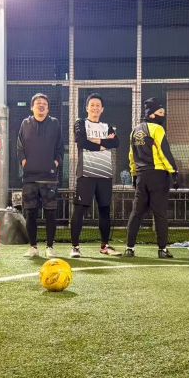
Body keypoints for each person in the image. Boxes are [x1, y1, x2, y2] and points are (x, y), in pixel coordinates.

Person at [124, 97, 179, 259]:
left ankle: (129, 248)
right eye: (161, 112)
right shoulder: (157, 129)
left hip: (141, 177)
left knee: (136, 213)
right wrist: (174, 172)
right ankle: (162, 250)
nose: (163, 115)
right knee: (160, 214)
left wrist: (134, 175)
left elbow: (131, 156)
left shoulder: (134, 131)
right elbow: (164, 153)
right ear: (152, 114)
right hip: (158, 176)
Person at [70, 93, 121, 258]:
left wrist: (96, 141)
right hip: (86, 174)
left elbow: (116, 142)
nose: (95, 108)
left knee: (105, 210)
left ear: (102, 109)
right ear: (87, 108)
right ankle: (75, 247)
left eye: (98, 105)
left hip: (104, 174)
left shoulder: (107, 126)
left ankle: (105, 246)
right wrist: (104, 144)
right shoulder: (80, 123)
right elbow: (81, 141)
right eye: (92, 105)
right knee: (79, 210)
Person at [16, 93, 64, 258]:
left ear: (48, 108)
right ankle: (33, 247)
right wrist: (24, 162)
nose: (41, 105)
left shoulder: (55, 123)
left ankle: (50, 246)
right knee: (30, 213)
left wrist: (55, 162)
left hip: (49, 178)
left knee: (50, 213)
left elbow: (60, 147)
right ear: (32, 107)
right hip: (30, 178)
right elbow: (19, 147)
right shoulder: (25, 123)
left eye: (44, 103)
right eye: (38, 103)